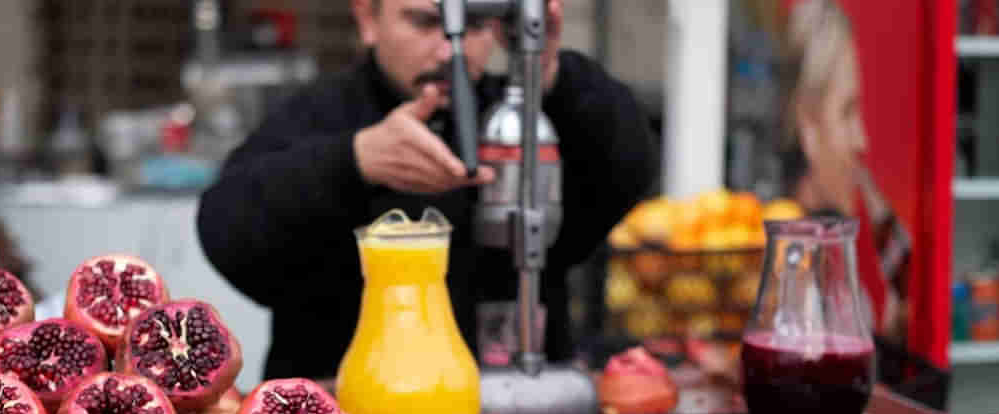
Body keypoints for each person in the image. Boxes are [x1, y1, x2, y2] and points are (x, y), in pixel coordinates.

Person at [197, 0, 657, 380]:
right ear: (367, 19)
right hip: (346, 411)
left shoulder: (527, 114)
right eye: (424, 21)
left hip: (514, 400)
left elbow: (629, 167)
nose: (447, 51)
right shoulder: (318, 116)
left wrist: (549, 73)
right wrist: (354, 162)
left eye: (473, 24)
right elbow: (227, 228)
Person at [782, 0, 910, 342]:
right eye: (847, 113)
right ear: (808, 125)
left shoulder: (839, 244)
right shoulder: (797, 263)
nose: (862, 139)